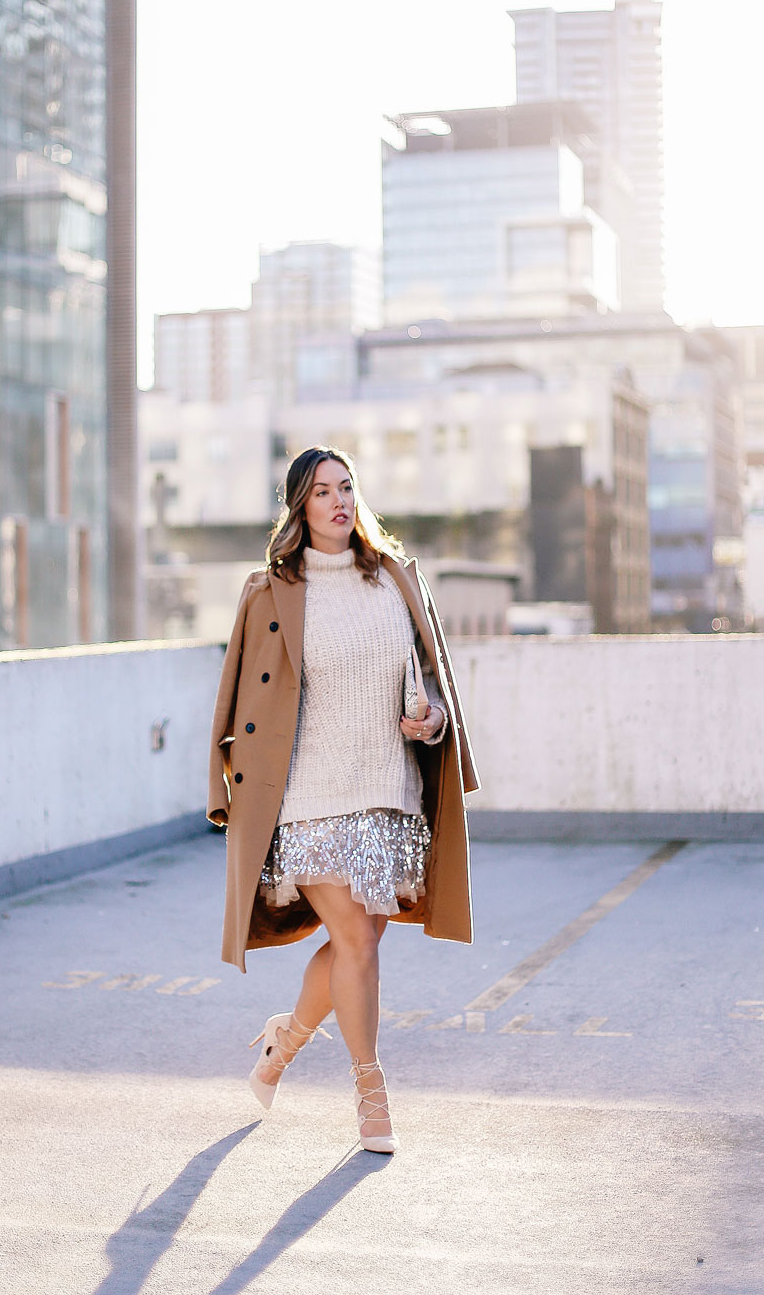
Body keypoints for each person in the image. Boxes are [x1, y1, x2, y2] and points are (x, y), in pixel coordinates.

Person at [207, 446, 479, 1153]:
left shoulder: (394, 580)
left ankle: (283, 1043)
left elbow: (430, 685)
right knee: (357, 939)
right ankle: (371, 1092)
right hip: (308, 797)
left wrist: (434, 720)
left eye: (347, 487)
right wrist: (227, 791)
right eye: (322, 490)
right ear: (299, 507)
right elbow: (235, 701)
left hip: (388, 791)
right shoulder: (269, 592)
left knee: (361, 940)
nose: (339, 501)